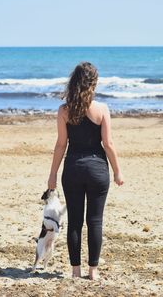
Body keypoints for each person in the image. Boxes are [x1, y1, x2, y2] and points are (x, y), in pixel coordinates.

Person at [47, 62, 124, 280]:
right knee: (95, 221)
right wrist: (118, 171)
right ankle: (93, 271)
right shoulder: (102, 109)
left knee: (75, 221)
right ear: (94, 84)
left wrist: (52, 174)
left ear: (74, 82)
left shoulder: (64, 110)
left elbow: (61, 144)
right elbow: (108, 144)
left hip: (72, 169)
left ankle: (75, 271)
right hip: (98, 170)